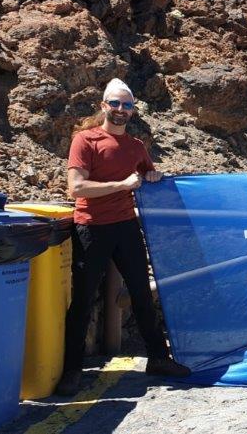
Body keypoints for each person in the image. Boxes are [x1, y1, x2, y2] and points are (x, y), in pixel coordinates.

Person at [57, 78, 190, 396]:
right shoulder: (85, 140)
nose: (120, 109)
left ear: (133, 110)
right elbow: (76, 188)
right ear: (104, 105)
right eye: (115, 103)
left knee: (142, 294)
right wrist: (122, 185)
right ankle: (71, 370)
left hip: (126, 227)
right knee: (83, 299)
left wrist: (153, 175)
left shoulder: (136, 146)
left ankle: (158, 359)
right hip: (90, 227)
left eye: (127, 105)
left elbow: (147, 176)